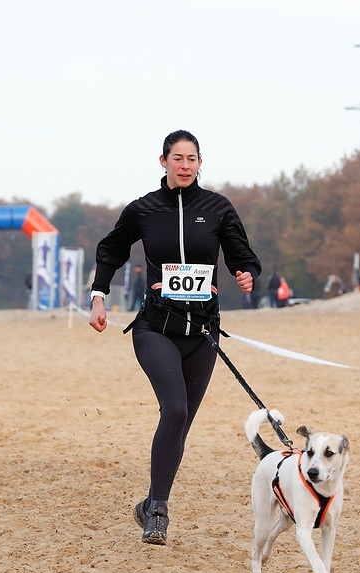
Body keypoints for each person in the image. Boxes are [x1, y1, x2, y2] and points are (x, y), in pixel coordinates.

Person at [88, 130, 261, 546]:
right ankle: (160, 514)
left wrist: (246, 273)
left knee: (179, 425)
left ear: (201, 163)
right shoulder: (143, 209)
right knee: (176, 408)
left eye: (192, 158)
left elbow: (243, 255)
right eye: (177, 158)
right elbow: (111, 249)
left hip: (202, 332)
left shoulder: (217, 208)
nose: (185, 165)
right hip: (155, 328)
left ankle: (149, 503)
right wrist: (99, 295)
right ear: (162, 161)